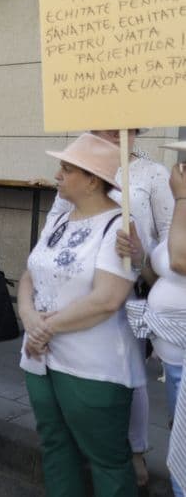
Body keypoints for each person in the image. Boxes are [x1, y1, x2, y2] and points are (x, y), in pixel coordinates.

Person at [17, 133, 145, 497]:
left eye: (66, 168)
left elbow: (108, 298)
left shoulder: (118, 224)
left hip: (92, 365)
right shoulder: (60, 219)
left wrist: (44, 329)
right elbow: (29, 274)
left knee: (106, 457)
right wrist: (29, 318)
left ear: (92, 179)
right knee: (56, 447)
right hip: (41, 359)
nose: (57, 175)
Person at [46, 127, 173, 486]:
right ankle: (84, 443)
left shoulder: (152, 174)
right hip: (73, 288)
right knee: (73, 370)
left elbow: (168, 239)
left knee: (127, 373)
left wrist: (140, 254)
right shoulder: (76, 169)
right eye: (105, 128)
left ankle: (133, 451)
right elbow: (54, 223)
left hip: (125, 287)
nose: (116, 134)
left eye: (126, 129)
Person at [118, 144, 186, 497]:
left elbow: (180, 261)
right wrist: (139, 255)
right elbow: (159, 270)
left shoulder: (180, 202)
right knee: (180, 438)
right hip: (173, 355)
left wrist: (182, 199)